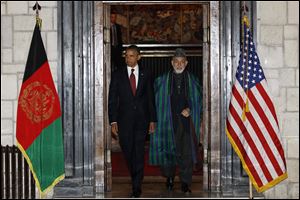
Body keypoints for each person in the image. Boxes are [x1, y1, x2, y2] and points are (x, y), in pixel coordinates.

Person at [149, 48, 202, 194]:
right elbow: (153, 103)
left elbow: (200, 101)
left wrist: (190, 109)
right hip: (167, 122)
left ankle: (186, 183)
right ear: (172, 63)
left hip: (186, 124)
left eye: (182, 62)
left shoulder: (194, 80)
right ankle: (170, 178)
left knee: (186, 154)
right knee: (168, 152)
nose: (179, 64)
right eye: (176, 62)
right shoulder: (161, 80)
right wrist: (152, 121)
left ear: (186, 63)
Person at [108, 45, 156, 198]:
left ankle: (137, 186)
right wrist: (113, 121)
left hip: (142, 121)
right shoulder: (117, 75)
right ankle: (135, 175)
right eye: (126, 55)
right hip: (124, 121)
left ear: (138, 57)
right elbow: (112, 99)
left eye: (131, 55)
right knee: (128, 151)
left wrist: (152, 120)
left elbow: (150, 98)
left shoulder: (146, 74)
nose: (128, 58)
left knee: (139, 152)